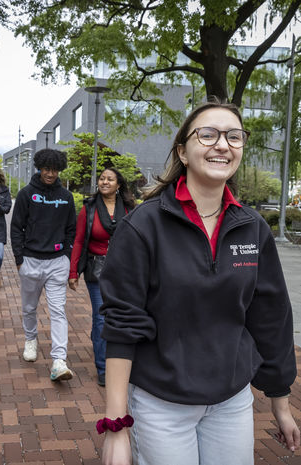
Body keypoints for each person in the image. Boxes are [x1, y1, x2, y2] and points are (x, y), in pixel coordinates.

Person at [99, 101, 300, 465]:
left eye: (234, 136)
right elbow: (122, 326)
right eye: (207, 134)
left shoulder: (252, 227)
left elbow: (271, 318)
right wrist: (116, 427)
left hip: (231, 401)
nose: (222, 144)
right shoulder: (142, 227)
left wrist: (280, 402)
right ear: (183, 152)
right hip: (162, 404)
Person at [11, 148, 76, 382]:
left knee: (58, 311)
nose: (50, 174)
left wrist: (66, 256)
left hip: (57, 262)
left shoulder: (66, 197)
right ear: (39, 168)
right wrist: (19, 260)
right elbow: (16, 227)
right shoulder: (27, 194)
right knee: (29, 308)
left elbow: (71, 230)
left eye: (55, 169)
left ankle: (59, 360)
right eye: (47, 169)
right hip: (30, 260)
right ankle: (30, 340)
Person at [69, 168, 136, 387]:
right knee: (101, 318)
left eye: (110, 179)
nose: (104, 182)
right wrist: (73, 272)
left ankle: (117, 352)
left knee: (121, 315)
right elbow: (79, 240)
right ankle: (103, 368)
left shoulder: (128, 208)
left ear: (119, 184)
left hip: (124, 269)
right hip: (96, 270)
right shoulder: (88, 209)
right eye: (101, 178)